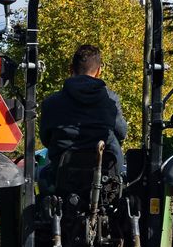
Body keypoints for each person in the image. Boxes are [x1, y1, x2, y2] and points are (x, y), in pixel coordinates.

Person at [37, 45, 128, 191]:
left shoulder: (51, 102)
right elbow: (122, 132)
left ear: (70, 69)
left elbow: (46, 138)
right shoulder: (110, 99)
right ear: (99, 70)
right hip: (105, 175)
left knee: (41, 174)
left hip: (63, 176)